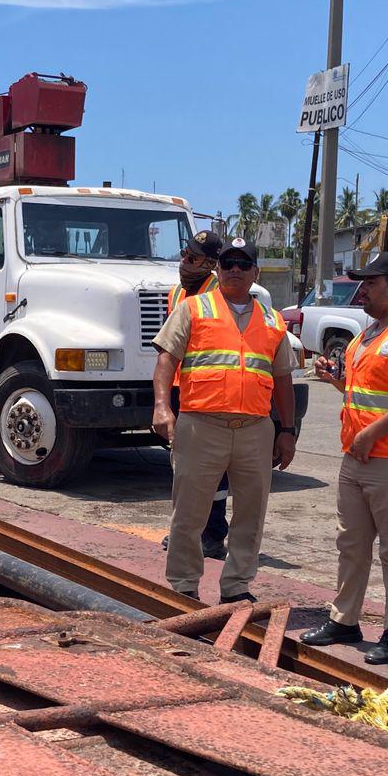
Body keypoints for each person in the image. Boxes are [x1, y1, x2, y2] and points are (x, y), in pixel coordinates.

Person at [299, 252, 388, 664]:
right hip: (361, 456)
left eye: (370, 283)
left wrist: (370, 434)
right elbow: (372, 396)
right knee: (352, 544)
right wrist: (337, 381)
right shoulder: (370, 334)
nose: (361, 291)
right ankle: (345, 620)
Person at [152, 237, 296, 604]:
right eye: (228, 263)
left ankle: (236, 587)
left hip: (255, 430)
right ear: (218, 269)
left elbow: (282, 379)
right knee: (189, 511)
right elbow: (166, 359)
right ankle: (184, 585)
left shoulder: (272, 319)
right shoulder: (194, 308)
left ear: (254, 273)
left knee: (251, 513)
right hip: (202, 425)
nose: (234, 269)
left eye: (243, 264)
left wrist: (288, 431)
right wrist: (161, 407)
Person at [161, 231, 231, 560]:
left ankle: (213, 534)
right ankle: (185, 529)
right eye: (184, 255)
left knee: (213, 471)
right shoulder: (176, 293)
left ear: (212, 264)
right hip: (180, 390)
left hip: (211, 394)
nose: (184, 263)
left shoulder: (222, 294)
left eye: (193, 258)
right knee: (182, 466)